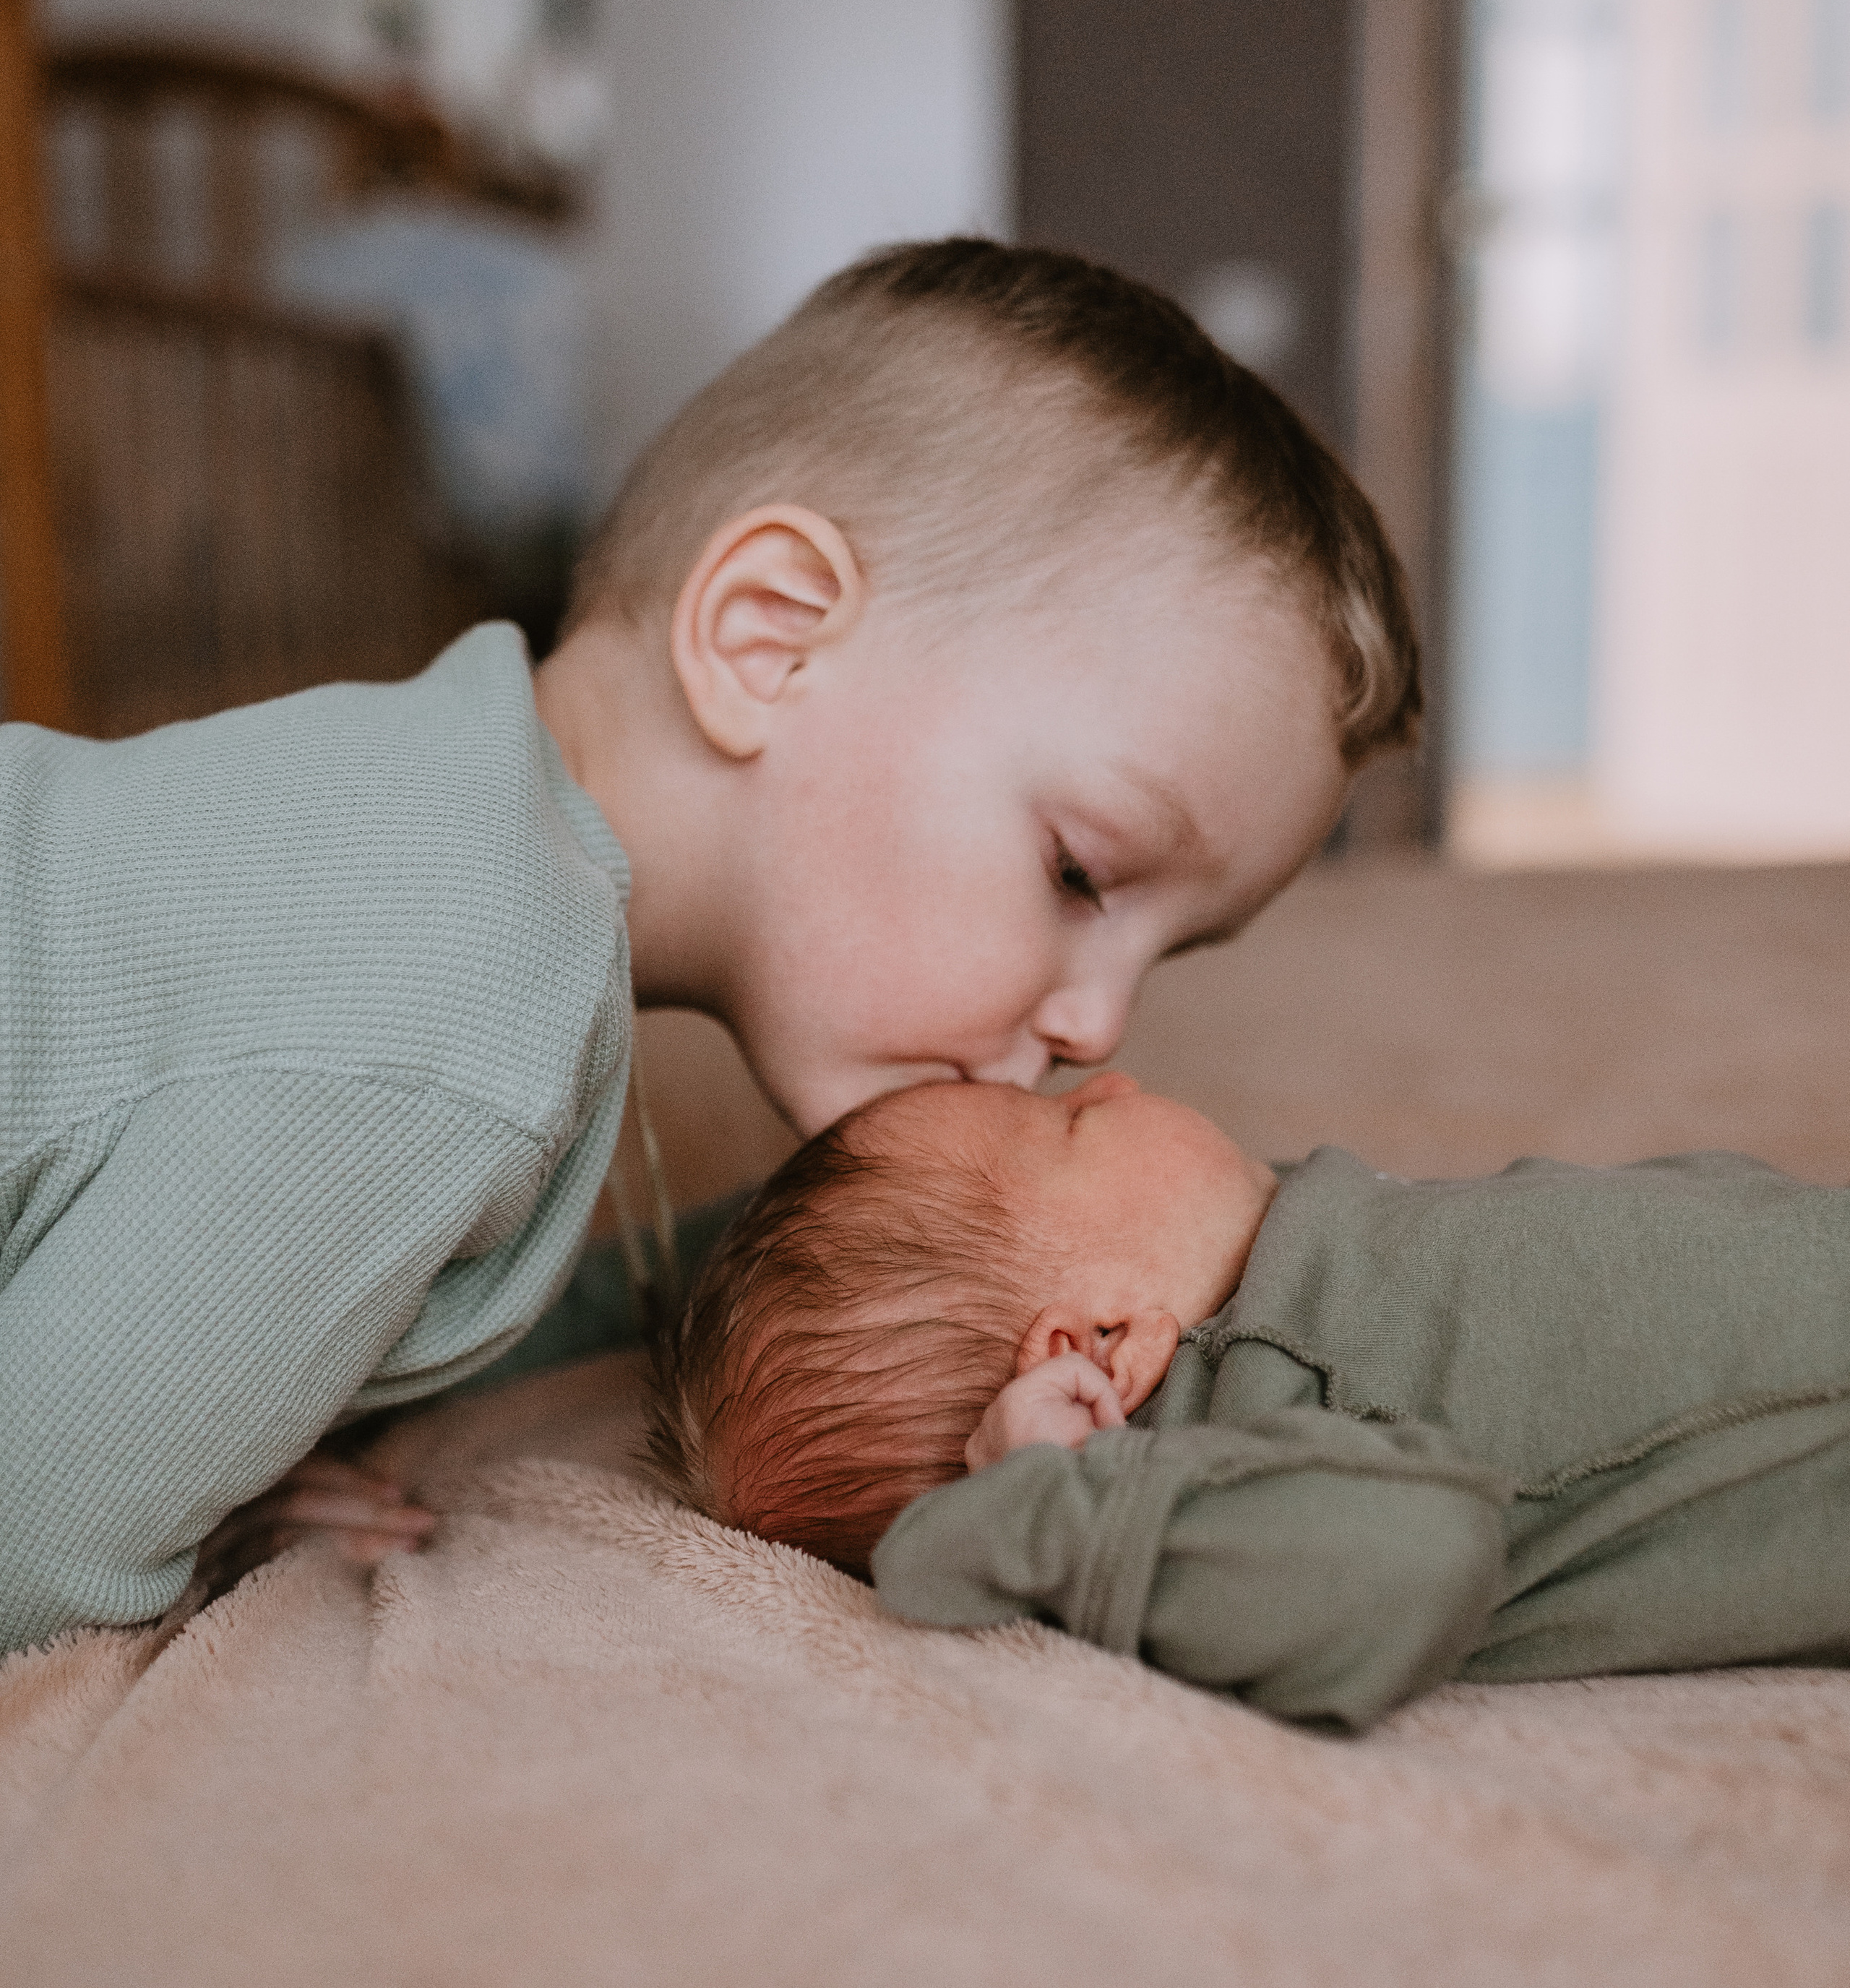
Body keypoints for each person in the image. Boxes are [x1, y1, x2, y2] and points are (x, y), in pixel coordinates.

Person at [1, 239, 1418, 1657]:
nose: (1097, 1027)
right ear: (767, 639)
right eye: (1078, 870)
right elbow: (35, 1536)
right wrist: (177, 1515)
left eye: (1174, 949)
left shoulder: (442, 832)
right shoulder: (449, 1012)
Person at [650, 1075, 1850, 1731]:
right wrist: (1067, 1508)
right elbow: (1418, 1560)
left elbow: (826, 1238)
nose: (1104, 1075)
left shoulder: (1263, 1273)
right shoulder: (1262, 1464)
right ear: (1102, 1346)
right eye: (1065, 1119)